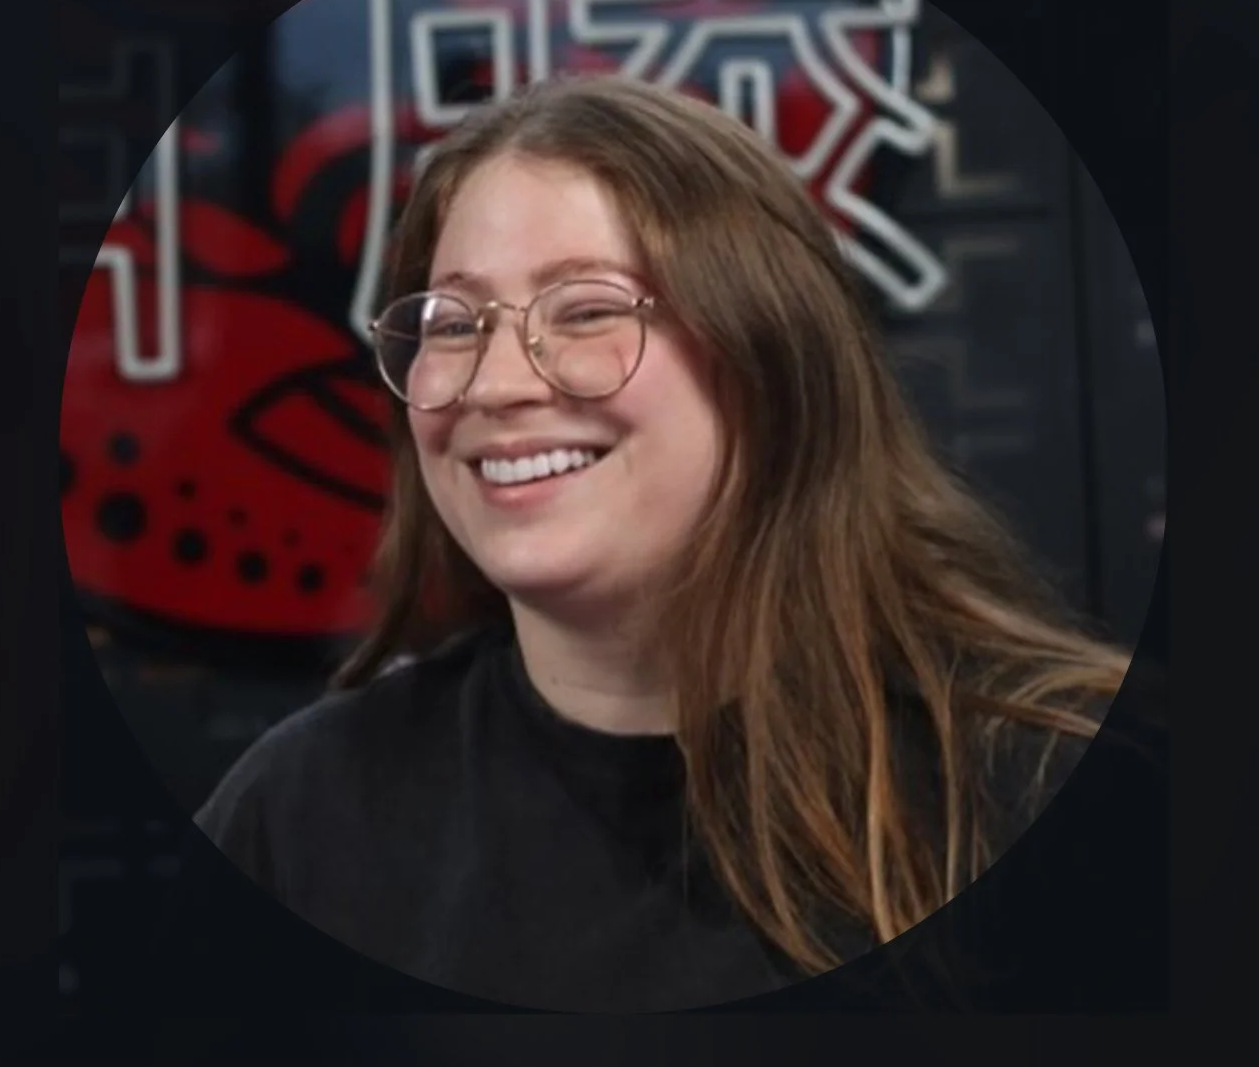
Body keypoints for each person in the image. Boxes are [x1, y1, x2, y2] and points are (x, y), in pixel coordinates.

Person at [194, 73, 1131, 1011]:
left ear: (771, 355)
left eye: (587, 310)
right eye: (454, 323)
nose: (496, 383)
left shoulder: (1044, 787)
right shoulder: (301, 816)